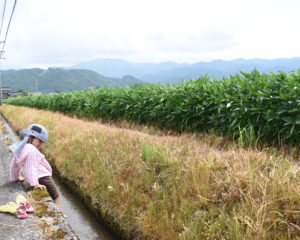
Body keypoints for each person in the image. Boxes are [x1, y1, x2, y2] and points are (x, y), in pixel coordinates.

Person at [10, 123, 61, 208]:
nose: (40, 144)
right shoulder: (32, 150)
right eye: (40, 140)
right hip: (43, 176)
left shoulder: (19, 148)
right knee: (56, 196)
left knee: (51, 194)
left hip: (36, 177)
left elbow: (14, 165)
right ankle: (59, 212)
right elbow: (31, 167)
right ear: (30, 138)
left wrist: (15, 177)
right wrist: (35, 184)